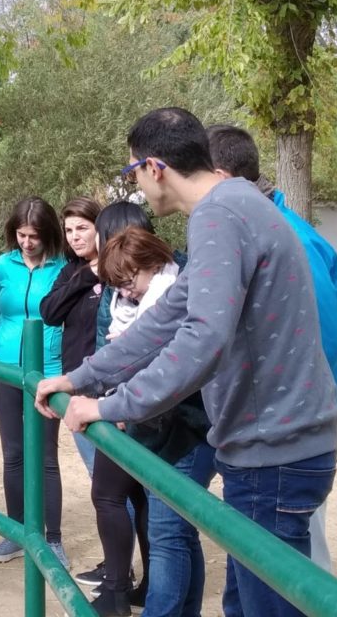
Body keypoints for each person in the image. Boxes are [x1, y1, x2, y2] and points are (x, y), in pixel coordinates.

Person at [36, 107, 337, 617]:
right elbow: (167, 319)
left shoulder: (220, 215)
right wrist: (81, 378)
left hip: (273, 453)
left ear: (155, 167)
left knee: (266, 607)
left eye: (133, 171)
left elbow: (202, 340)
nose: (137, 186)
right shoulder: (235, 203)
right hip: (270, 447)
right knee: (245, 603)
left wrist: (107, 407)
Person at [207, 123, 337, 572]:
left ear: (221, 179)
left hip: (286, 436)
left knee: (293, 573)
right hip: (268, 430)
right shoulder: (265, 231)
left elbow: (313, 340)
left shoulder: (292, 241)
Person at [91, 226, 213, 617]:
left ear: (154, 263)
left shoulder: (174, 303)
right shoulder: (148, 303)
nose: (126, 292)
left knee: (166, 537)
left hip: (184, 432)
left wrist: (120, 406)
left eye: (129, 281)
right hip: (167, 430)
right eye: (119, 286)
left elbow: (159, 370)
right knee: (179, 535)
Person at [73, 201, 157, 593]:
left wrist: (114, 401)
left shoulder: (131, 290)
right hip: (128, 403)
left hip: (128, 408)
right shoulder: (141, 284)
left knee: (108, 496)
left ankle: (116, 588)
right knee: (142, 501)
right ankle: (142, 584)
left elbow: (128, 353)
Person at [0, 196, 69, 568]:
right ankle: (17, 531)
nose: (26, 242)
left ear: (47, 234)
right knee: (13, 453)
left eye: (34, 235)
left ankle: (53, 539)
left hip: (47, 372)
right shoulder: (1, 266)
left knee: (46, 457)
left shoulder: (63, 268)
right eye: (21, 234)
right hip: (4, 369)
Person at [40, 197, 104, 473]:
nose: (75, 237)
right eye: (69, 231)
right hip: (77, 383)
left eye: (82, 228)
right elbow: (50, 312)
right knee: (97, 474)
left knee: (122, 481)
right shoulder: (70, 271)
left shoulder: (120, 270)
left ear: (99, 228)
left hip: (110, 385)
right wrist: (87, 275)